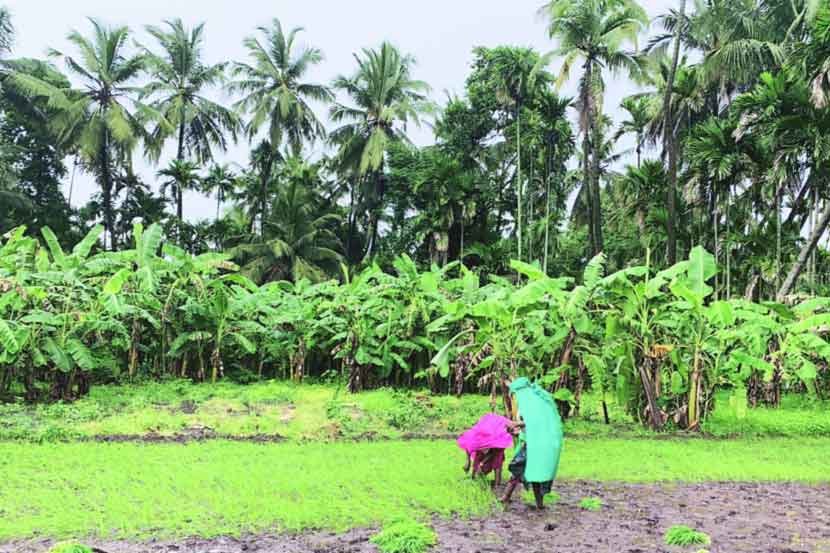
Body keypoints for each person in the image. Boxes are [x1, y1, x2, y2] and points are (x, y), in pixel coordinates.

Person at [500, 377, 563, 510]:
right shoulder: (527, 404)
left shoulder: (534, 404)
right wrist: (516, 431)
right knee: (532, 473)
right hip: (532, 443)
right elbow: (529, 427)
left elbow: (535, 422)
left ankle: (505, 497)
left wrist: (516, 424)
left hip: (537, 446)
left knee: (518, 468)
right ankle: (538, 504)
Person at [457, 413, 514, 487]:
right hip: (489, 428)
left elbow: (491, 454)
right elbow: (468, 445)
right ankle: (473, 477)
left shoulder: (496, 442)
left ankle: (497, 484)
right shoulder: (474, 440)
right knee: (478, 459)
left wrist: (482, 464)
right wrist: (468, 462)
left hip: (499, 433)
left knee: (497, 461)